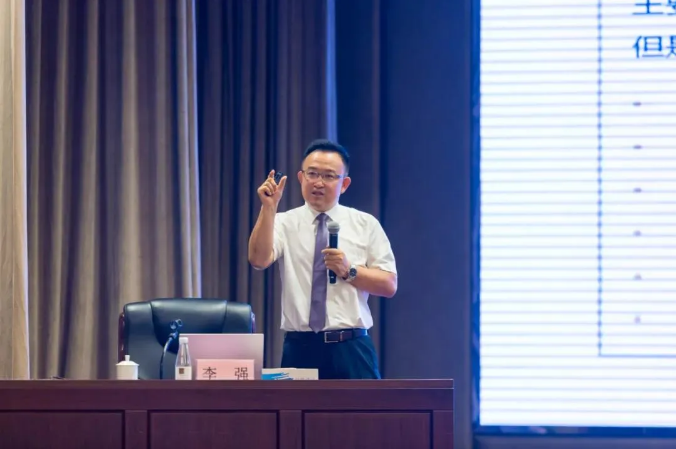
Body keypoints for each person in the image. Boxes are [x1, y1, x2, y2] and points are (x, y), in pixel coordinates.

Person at [247, 139, 397, 379]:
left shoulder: (365, 224)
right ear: (301, 177)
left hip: (351, 346)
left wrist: (349, 270)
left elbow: (389, 285)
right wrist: (268, 208)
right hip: (300, 347)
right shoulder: (284, 222)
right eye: (312, 174)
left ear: (344, 184)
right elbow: (258, 260)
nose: (318, 182)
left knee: (364, 406)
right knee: (295, 406)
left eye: (328, 176)